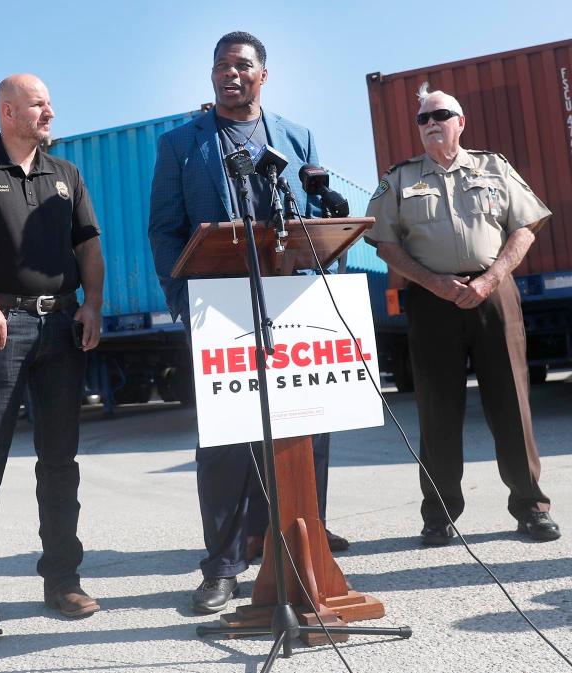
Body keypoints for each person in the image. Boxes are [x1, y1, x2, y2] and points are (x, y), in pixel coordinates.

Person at [148, 31, 348, 615]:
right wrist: (183, 301)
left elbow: (306, 217)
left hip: (292, 302)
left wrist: (327, 213)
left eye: (241, 65)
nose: (229, 74)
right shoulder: (181, 144)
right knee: (227, 442)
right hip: (218, 306)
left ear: (264, 73)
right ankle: (224, 563)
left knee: (304, 426)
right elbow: (164, 229)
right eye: (220, 66)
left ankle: (303, 539)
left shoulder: (297, 136)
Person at [0, 73, 106, 640]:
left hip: (62, 324)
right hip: (2, 328)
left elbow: (89, 245)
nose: (49, 113)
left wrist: (93, 306)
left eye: (50, 103)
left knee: (61, 460)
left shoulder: (66, 175)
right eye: (38, 104)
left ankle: (62, 581)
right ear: (8, 111)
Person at [365, 84, 560, 546]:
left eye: (441, 115)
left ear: (461, 122)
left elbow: (525, 228)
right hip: (432, 301)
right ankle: (439, 515)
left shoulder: (495, 167)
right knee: (437, 410)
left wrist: (491, 279)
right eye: (423, 119)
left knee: (511, 402)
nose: (432, 123)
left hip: (494, 293)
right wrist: (433, 282)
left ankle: (531, 507)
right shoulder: (398, 179)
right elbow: (384, 242)